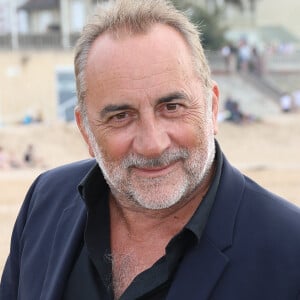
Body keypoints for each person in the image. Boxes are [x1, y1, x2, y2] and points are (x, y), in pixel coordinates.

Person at [1, 1, 300, 299]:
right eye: (121, 116)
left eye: (172, 107)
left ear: (211, 108)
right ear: (86, 131)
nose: (153, 145)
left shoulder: (290, 248)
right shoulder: (44, 203)